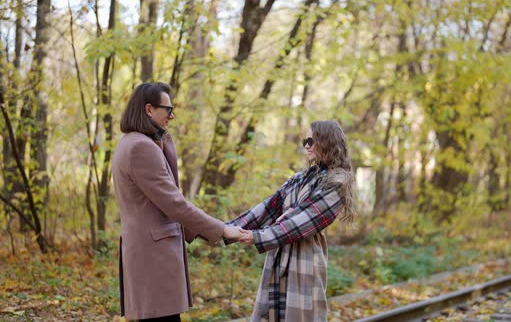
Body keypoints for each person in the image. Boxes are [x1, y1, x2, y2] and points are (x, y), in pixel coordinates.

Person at [111, 82, 243, 321]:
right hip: (154, 258)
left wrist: (202, 231)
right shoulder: (142, 147)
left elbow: (162, 202)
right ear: (149, 109)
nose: (172, 115)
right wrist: (221, 229)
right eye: (168, 109)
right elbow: (174, 204)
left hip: (147, 254)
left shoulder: (130, 143)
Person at [227, 120, 356, 322]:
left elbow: (302, 221)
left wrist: (258, 236)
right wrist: (224, 229)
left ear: (328, 142)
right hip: (278, 255)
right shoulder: (299, 178)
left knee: (299, 316)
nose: (306, 146)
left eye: (312, 141)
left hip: (304, 261)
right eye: (305, 141)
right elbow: (268, 207)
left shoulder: (338, 182)